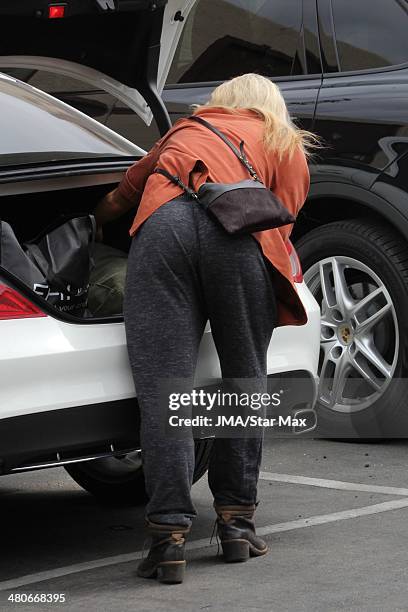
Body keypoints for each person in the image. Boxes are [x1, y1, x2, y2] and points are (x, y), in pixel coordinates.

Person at [93, 73, 318, 584]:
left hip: (163, 229)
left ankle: (167, 537)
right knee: (244, 380)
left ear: (219, 102)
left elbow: (121, 195)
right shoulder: (282, 141)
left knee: (163, 391)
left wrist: (91, 224)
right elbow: (283, 215)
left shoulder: (184, 132)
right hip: (239, 237)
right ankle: (237, 525)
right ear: (270, 105)